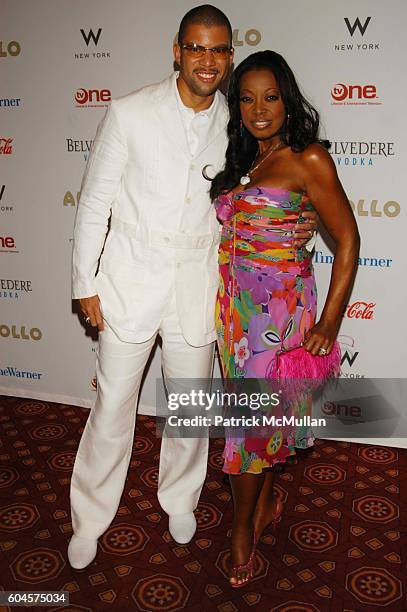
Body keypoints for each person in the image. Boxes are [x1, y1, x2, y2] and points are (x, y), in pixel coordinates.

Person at [68, 6, 317, 570]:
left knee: (189, 409)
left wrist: (298, 223)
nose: (208, 60)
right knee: (112, 406)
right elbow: (94, 203)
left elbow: (267, 185)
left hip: (201, 283)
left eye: (219, 50)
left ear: (230, 56)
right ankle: (90, 516)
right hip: (129, 280)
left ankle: (179, 499)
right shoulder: (129, 112)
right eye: (197, 48)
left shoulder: (237, 121)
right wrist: (85, 282)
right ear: (177, 51)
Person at [210, 50, 360, 587]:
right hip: (233, 317)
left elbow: (349, 241)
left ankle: (241, 533)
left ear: (287, 98)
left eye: (270, 96)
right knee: (257, 421)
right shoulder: (242, 159)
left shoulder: (309, 157)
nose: (259, 108)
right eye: (247, 98)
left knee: (249, 427)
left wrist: (330, 323)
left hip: (278, 318)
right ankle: (268, 498)